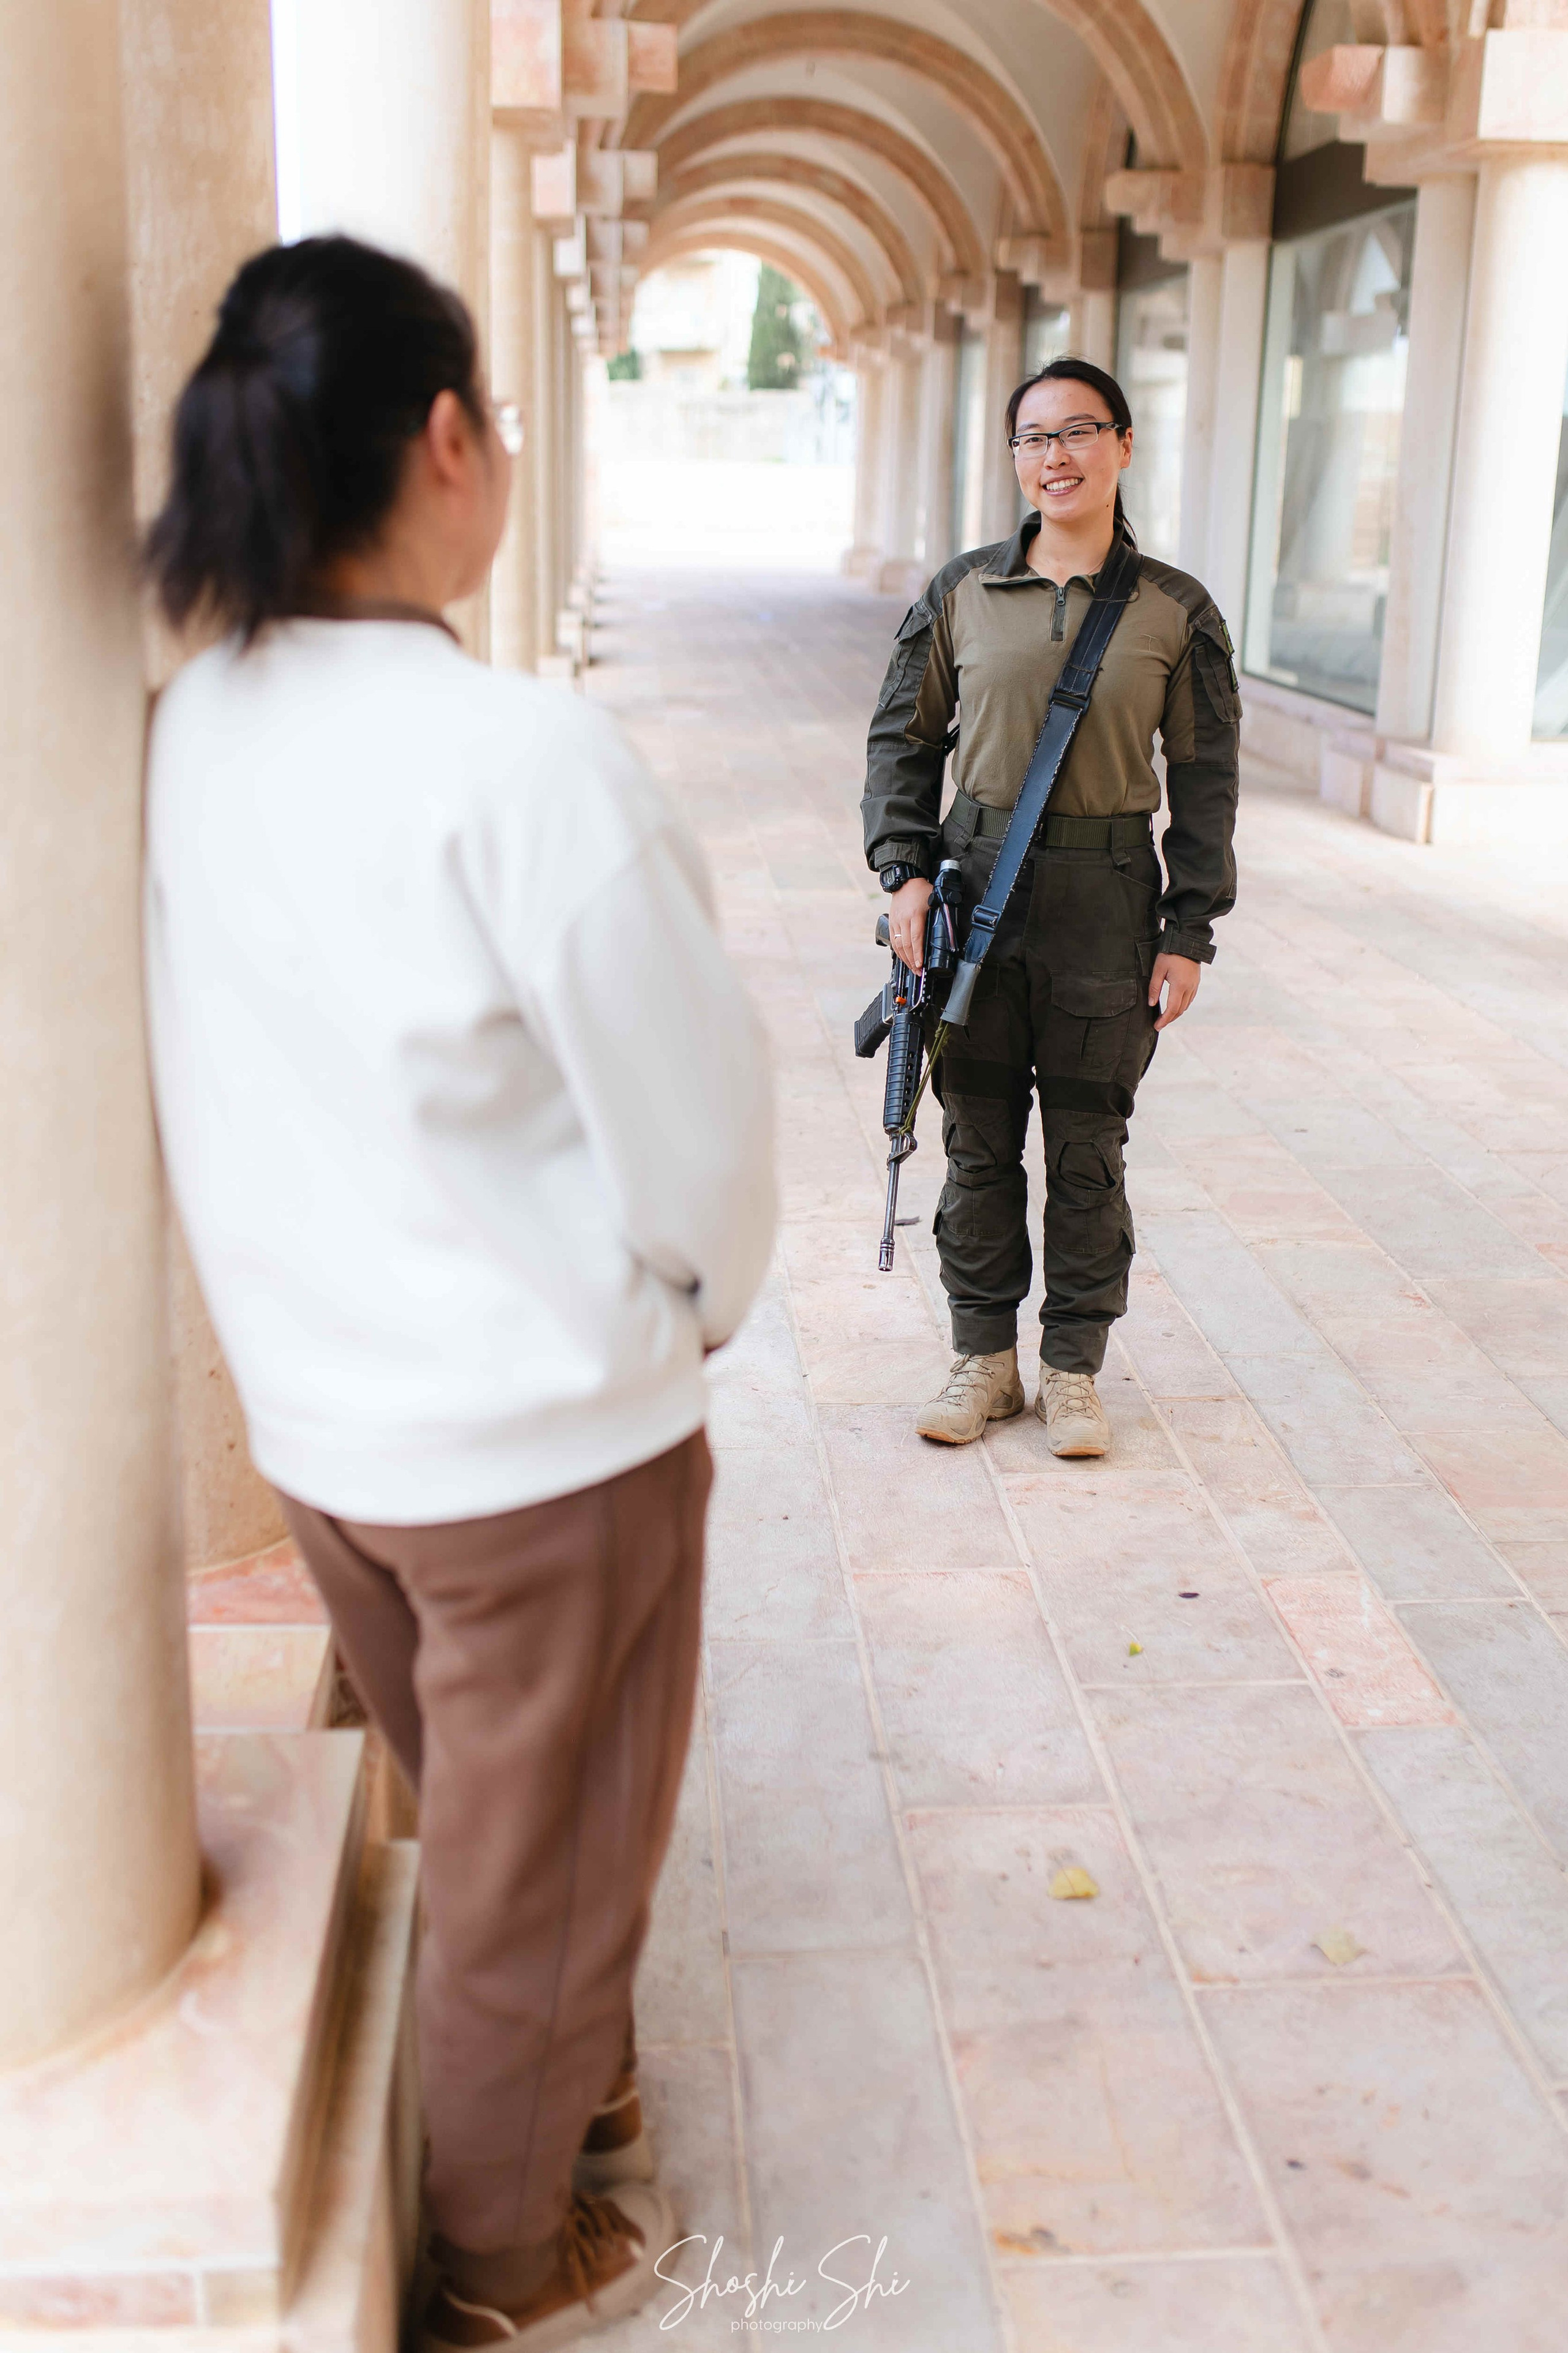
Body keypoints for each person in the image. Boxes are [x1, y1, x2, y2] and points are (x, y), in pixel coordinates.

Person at [142, 236, 775, 2350]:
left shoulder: (194, 728)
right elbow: (697, 1135)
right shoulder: (522, 763)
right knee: (543, 1868)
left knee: (489, 1819)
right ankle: (509, 2255)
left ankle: (555, 2087)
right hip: (539, 1447)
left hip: (327, 1426)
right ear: (444, 440)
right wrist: (687, 1311)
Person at [861, 358, 1238, 1456]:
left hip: (1106, 903)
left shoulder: (1176, 609)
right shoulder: (963, 592)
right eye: (1034, 437)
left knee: (1087, 1151)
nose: (1057, 455)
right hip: (976, 892)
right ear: (1016, 459)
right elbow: (902, 738)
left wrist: (1189, 930)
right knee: (977, 1144)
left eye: (1080, 431)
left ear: (1123, 445)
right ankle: (984, 1359)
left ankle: (1073, 1369)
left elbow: (1205, 779)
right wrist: (906, 871)